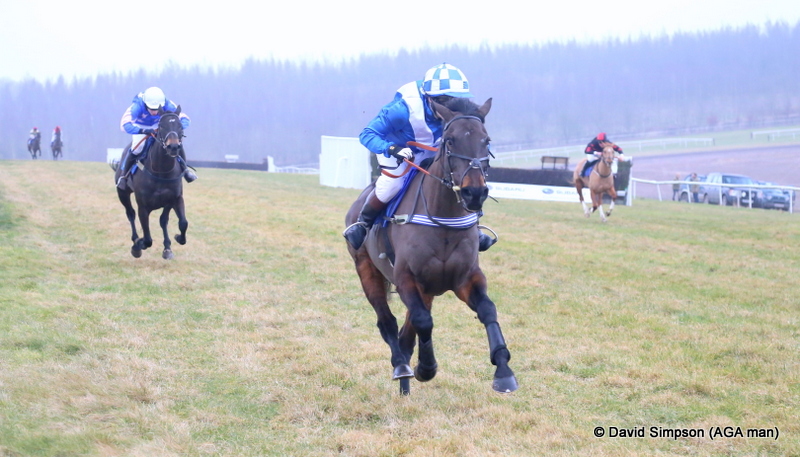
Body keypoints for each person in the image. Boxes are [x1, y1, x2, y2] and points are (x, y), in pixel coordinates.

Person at [343, 63, 494, 252]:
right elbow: (367, 134)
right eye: (443, 100)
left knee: (463, 179)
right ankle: (363, 224)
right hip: (399, 149)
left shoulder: (460, 110)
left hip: (436, 148)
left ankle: (474, 227)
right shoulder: (401, 110)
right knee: (393, 185)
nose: (449, 106)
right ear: (428, 97)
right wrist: (391, 148)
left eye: (454, 99)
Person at [117, 87, 195, 189]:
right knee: (138, 148)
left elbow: (185, 119)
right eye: (151, 109)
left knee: (176, 143)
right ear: (145, 104)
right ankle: (123, 176)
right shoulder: (137, 106)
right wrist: (142, 131)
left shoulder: (168, 104)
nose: (154, 112)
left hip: (160, 126)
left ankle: (185, 171)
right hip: (140, 127)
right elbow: (124, 125)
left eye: (156, 109)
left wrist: (174, 128)